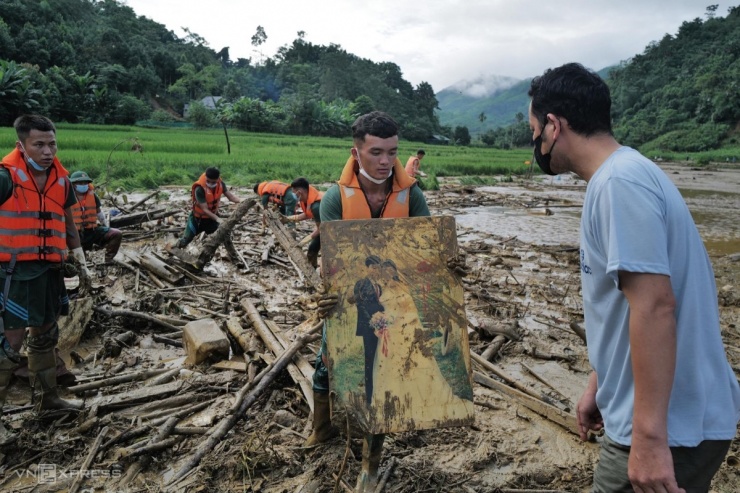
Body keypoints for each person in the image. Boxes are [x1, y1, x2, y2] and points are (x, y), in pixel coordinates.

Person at [527, 63, 740, 492]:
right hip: (668, 418)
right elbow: (626, 304)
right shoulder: (624, 175)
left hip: (671, 428)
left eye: (534, 131)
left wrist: (648, 440)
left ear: (553, 126)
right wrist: (599, 385)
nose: (534, 142)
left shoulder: (619, 184)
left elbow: (655, 306)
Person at [304, 111, 430, 492]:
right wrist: (323, 296)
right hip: (348, 296)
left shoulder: (412, 196)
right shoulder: (334, 199)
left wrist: (447, 263)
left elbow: (424, 249)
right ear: (355, 152)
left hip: (391, 298)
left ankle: (370, 464)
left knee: (383, 375)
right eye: (376, 152)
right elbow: (330, 262)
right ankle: (321, 428)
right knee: (326, 364)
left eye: (392, 152)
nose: (385, 161)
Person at [0, 115, 92, 444]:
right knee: (9, 343)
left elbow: (67, 221)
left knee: (45, 335)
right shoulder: (5, 177)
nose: (47, 151)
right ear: (21, 146)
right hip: (14, 273)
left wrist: (79, 257)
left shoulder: (62, 180)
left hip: (50, 270)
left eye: (52, 144)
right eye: (38, 144)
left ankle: (46, 402)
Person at [370, 259, 473, 428]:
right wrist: (381, 320)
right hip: (390, 332)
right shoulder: (382, 286)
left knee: (413, 363)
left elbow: (408, 309)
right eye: (385, 270)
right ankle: (394, 399)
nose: (388, 273)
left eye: (390, 270)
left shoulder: (403, 285)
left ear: (394, 270)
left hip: (405, 328)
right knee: (389, 366)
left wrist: (391, 320)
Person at [348, 255, 384, 407]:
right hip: (368, 328)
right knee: (370, 360)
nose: (375, 271)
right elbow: (360, 305)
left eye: (378, 269)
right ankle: (369, 398)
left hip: (381, 326)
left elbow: (380, 304)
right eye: (373, 268)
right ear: (367, 268)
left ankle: (381, 392)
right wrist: (372, 322)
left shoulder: (380, 285)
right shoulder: (361, 284)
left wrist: (383, 318)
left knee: (380, 359)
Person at [175, 167, 240, 248]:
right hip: (197, 219)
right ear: (205, 177)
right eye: (208, 181)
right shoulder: (199, 189)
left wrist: (242, 202)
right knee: (186, 239)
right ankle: (175, 248)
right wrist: (219, 220)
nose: (210, 183)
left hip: (211, 220)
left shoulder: (221, 184)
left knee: (224, 236)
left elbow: (231, 197)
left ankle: (232, 256)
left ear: (217, 179)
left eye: (213, 182)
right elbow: (205, 209)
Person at [68, 170, 122, 264]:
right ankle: (80, 262)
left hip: (92, 230)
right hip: (75, 233)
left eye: (85, 182)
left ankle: (109, 259)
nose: (83, 185)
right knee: (79, 262)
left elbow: (99, 213)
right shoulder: (67, 197)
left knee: (116, 234)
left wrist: (105, 225)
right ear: (73, 184)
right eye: (80, 183)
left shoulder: (93, 196)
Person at [282, 177, 324, 267]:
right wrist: (288, 219)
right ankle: (314, 269)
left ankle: (315, 272)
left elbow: (321, 229)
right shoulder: (307, 199)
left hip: (333, 227)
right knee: (313, 249)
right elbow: (307, 214)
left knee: (314, 249)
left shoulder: (316, 206)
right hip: (325, 226)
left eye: (294, 193)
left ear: (299, 192)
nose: (293, 195)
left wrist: (305, 241)